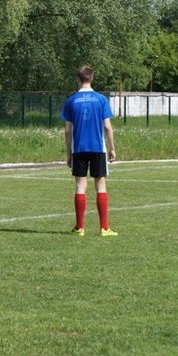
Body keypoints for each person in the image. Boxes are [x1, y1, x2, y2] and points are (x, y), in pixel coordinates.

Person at [60, 66, 118, 236]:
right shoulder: (101, 100)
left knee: (80, 186)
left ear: (78, 79)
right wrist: (112, 148)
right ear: (92, 79)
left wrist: (69, 154)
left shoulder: (71, 101)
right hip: (98, 148)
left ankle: (80, 228)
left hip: (79, 148)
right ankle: (104, 228)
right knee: (100, 185)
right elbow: (107, 126)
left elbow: (68, 130)